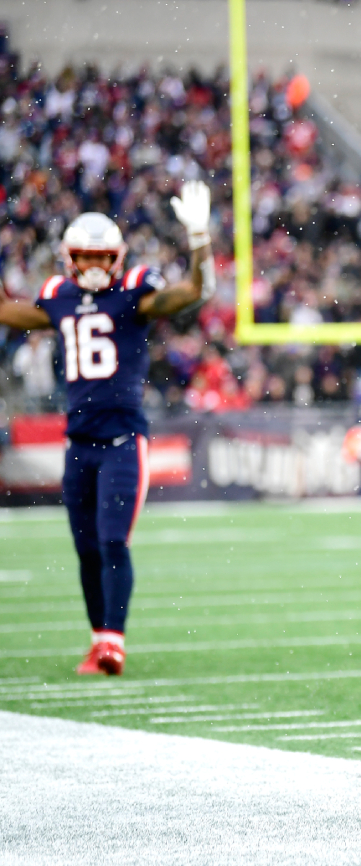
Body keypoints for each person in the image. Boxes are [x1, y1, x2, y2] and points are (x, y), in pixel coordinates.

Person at [0, 182, 215, 675]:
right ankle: (99, 641)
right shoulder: (58, 297)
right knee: (86, 548)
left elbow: (193, 291)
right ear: (68, 258)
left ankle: (113, 642)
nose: (94, 266)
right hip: (77, 445)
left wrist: (200, 240)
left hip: (122, 442)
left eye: (102, 256)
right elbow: (6, 311)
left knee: (114, 541)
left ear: (117, 257)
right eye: (85, 256)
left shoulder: (134, 295)